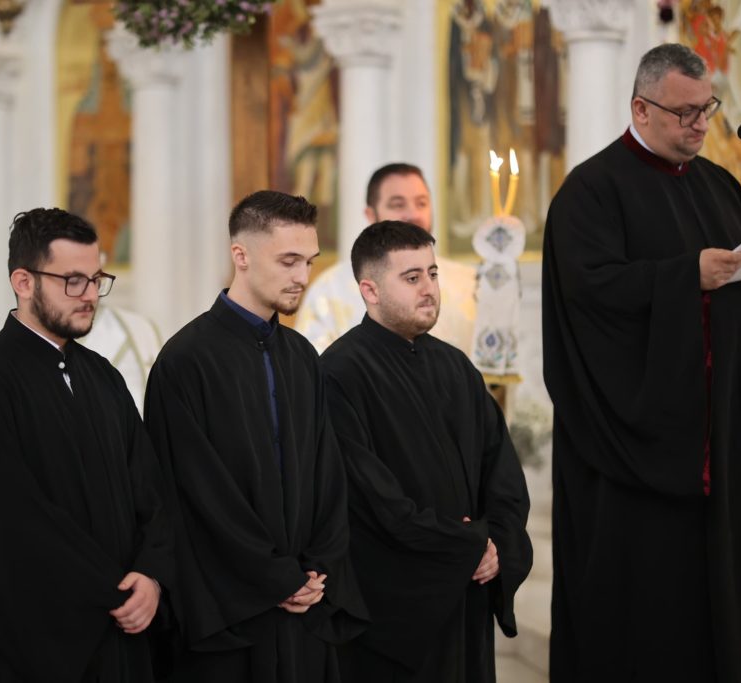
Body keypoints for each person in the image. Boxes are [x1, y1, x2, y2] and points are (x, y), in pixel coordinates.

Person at [542, 43, 741, 681]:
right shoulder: (590, 192)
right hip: (637, 448)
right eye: (685, 113)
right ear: (640, 109)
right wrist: (686, 277)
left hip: (721, 438)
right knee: (652, 619)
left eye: (707, 109)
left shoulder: (721, 185)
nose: (700, 125)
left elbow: (736, 302)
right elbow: (585, 302)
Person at [0, 208, 175, 682]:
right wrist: (108, 590)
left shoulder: (102, 377)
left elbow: (150, 491)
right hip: (33, 644)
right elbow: (7, 526)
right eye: (73, 281)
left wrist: (151, 575)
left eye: (96, 279)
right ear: (23, 282)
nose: (90, 295)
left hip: (122, 626)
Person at [144, 190, 367, 682]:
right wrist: (275, 577)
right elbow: (197, 494)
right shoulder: (185, 361)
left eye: (308, 261)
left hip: (306, 603)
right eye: (288, 261)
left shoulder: (302, 356)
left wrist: (318, 569)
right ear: (240, 255)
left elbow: (327, 474)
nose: (302, 276)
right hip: (230, 610)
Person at [320, 221, 532, 682]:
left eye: (432, 274)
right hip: (397, 611)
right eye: (412, 277)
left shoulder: (457, 367)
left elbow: (503, 476)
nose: (429, 289)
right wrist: (467, 544)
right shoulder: (338, 374)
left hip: (468, 590)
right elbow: (371, 500)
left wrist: (497, 543)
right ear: (370, 290)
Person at [295, 163, 477, 355]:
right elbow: (314, 366)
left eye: (421, 203)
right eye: (398, 205)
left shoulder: (469, 283)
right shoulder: (330, 289)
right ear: (371, 215)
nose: (413, 214)